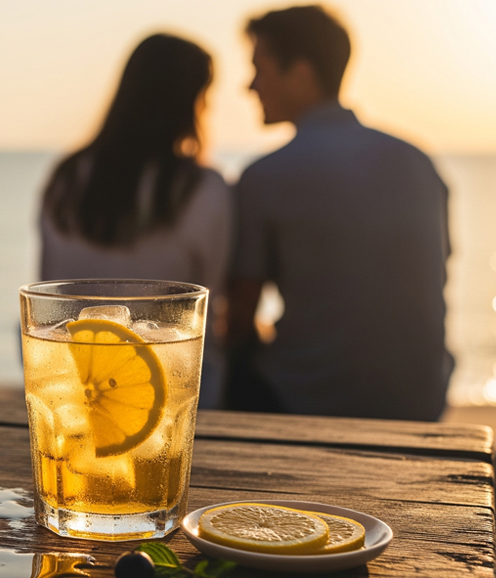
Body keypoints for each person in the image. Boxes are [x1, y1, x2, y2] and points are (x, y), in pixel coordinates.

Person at [225, 5, 453, 421]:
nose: (250, 85)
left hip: (310, 406)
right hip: (421, 403)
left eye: (260, 67)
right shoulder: (418, 162)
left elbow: (240, 319)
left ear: (302, 73)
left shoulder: (265, 176)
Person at [39, 34, 232, 409]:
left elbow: (50, 299)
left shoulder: (66, 177)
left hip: (72, 380)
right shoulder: (201, 189)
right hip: (167, 385)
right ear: (190, 100)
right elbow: (213, 304)